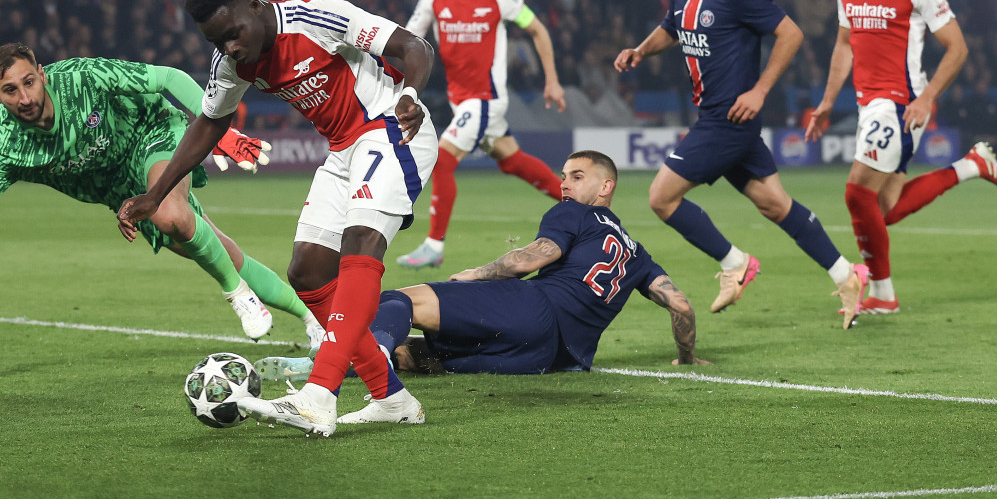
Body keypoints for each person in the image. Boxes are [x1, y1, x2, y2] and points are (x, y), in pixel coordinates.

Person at [117, 0, 439, 437]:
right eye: (216, 41)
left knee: (362, 244)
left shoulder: (317, 16)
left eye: (232, 34)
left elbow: (415, 47)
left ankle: (319, 395)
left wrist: (409, 94)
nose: (229, 47)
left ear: (255, 5)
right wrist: (155, 194)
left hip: (392, 128)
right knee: (307, 273)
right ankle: (389, 396)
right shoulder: (231, 64)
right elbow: (209, 123)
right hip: (344, 149)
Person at [0, 42, 323, 348]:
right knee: (222, 252)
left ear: (42, 75)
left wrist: (216, 128)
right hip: (122, 194)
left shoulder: (81, 77)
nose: (24, 97)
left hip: (152, 132)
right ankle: (313, 320)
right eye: (10, 90)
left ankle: (236, 294)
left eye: (29, 82)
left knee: (171, 216)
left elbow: (168, 78)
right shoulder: (0, 146)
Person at [614, 0, 868, 328]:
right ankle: (847, 274)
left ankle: (736, 264)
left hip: (727, 121)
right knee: (774, 204)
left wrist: (759, 90)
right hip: (718, 118)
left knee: (661, 197)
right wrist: (640, 49)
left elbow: (791, 33)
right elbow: (671, 28)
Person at [255, 151, 706, 385]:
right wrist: (686, 357)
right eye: (563, 175)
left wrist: (477, 273)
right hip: (551, 358)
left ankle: (334, 377)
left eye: (576, 176)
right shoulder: (637, 252)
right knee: (422, 356)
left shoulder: (577, 215)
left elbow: (536, 257)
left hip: (533, 308)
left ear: (606, 186)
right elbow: (681, 305)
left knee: (398, 300)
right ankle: (323, 365)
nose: (564, 184)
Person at [805, 0, 997, 315]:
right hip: (869, 106)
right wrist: (828, 101)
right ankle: (970, 166)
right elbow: (845, 44)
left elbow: (957, 47)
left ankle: (881, 293)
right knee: (886, 208)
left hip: (901, 103)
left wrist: (927, 98)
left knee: (856, 193)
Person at [397, 0, 567, 270]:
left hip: (486, 99)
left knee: (443, 159)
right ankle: (582, 204)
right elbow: (410, 40)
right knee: (511, 160)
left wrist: (551, 79)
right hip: (462, 100)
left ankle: (434, 244)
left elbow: (536, 28)